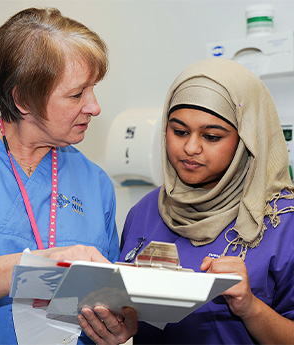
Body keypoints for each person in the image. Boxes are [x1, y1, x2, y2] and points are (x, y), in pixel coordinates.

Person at [0, 7, 121, 345]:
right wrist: (38, 265)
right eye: (77, 94)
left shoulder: (95, 183)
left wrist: (118, 325)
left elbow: (113, 299)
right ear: (23, 99)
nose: (94, 107)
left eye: (93, 89)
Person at [78, 58, 294, 345]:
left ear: (246, 140)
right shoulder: (145, 212)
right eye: (179, 131)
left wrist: (250, 308)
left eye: (212, 136)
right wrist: (118, 325)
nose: (191, 148)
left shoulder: (283, 222)